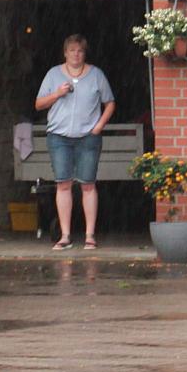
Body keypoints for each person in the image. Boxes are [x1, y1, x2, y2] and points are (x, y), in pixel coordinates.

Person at [35, 33, 116, 249]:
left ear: (84, 53)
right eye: (72, 50)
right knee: (63, 184)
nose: (76, 54)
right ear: (65, 53)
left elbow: (110, 102)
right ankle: (65, 235)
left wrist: (99, 126)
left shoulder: (96, 75)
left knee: (88, 184)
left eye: (80, 51)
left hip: (88, 136)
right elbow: (39, 104)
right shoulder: (53, 74)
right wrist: (57, 94)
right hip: (59, 136)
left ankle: (90, 235)